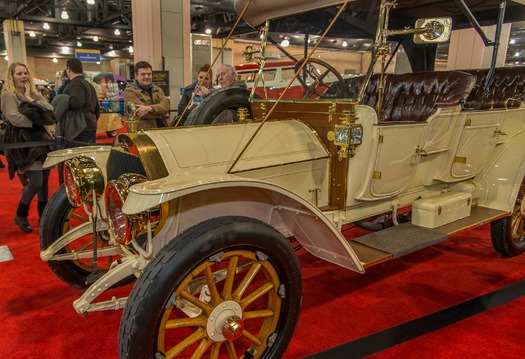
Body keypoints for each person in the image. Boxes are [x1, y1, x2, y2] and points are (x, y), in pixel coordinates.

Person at [1, 62, 55, 233]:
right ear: (12, 76)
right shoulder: (8, 95)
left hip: (42, 142)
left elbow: (50, 110)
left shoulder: (33, 93)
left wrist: (32, 100)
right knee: (37, 181)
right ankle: (20, 214)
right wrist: (38, 120)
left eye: (25, 73)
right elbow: (14, 117)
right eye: (19, 73)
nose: (23, 76)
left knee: (45, 180)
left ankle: (43, 216)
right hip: (24, 144)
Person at [62, 58, 100, 145]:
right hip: (89, 125)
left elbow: (77, 102)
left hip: (79, 128)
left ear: (68, 69)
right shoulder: (89, 85)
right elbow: (97, 109)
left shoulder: (76, 84)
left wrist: (63, 100)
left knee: (79, 156)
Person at [124, 61, 170, 130]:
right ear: (136, 76)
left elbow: (166, 107)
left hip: (162, 129)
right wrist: (160, 113)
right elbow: (141, 114)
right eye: (143, 74)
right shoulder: (130, 91)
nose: (147, 77)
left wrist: (150, 108)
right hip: (143, 133)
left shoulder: (157, 89)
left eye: (149, 74)